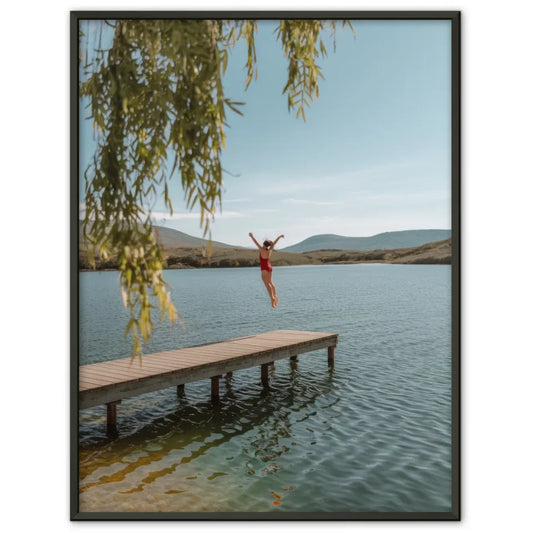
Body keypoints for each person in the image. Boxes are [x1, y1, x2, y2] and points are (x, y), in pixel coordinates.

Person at [249, 232, 284, 308]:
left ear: (264, 244)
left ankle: (272, 299)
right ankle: (275, 295)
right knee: (271, 282)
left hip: (264, 268)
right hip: (269, 267)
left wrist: (251, 236)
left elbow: (255, 242)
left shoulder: (262, 249)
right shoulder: (270, 250)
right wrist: (279, 236)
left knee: (267, 284)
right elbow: (274, 243)